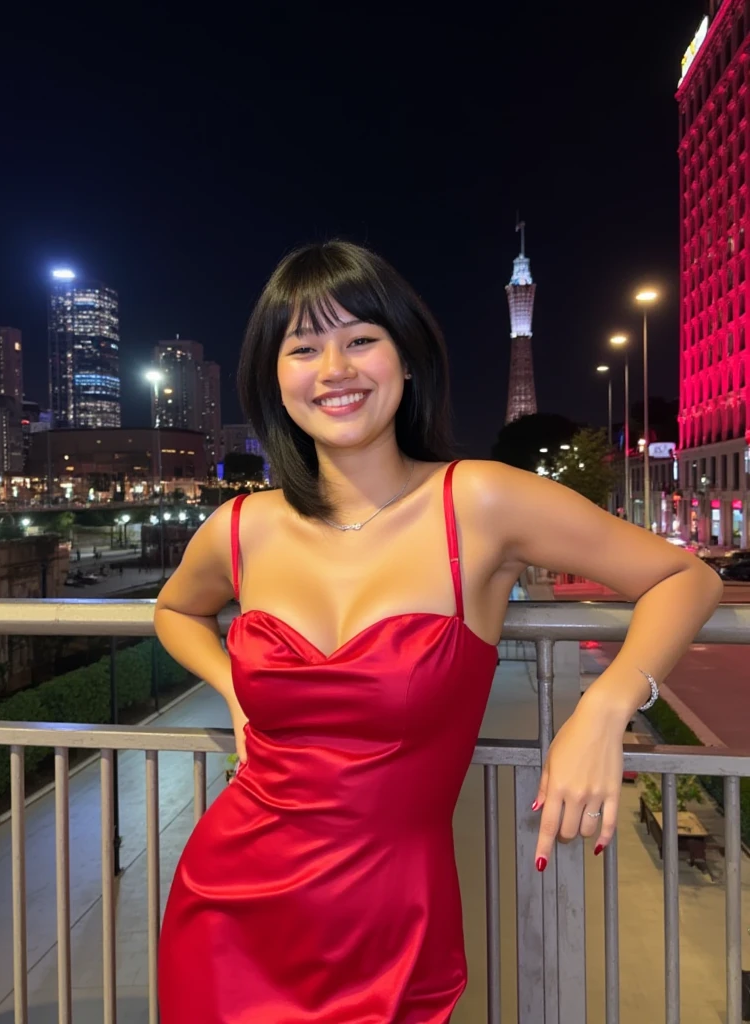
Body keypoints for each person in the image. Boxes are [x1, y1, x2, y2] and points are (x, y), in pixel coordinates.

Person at [154, 241, 722, 1023]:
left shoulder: (479, 503)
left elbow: (686, 577)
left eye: (360, 340)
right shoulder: (241, 528)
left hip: (389, 931)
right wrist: (234, 691)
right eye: (303, 348)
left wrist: (605, 707)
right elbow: (175, 611)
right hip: (225, 909)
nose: (333, 370)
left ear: (408, 356)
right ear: (273, 377)